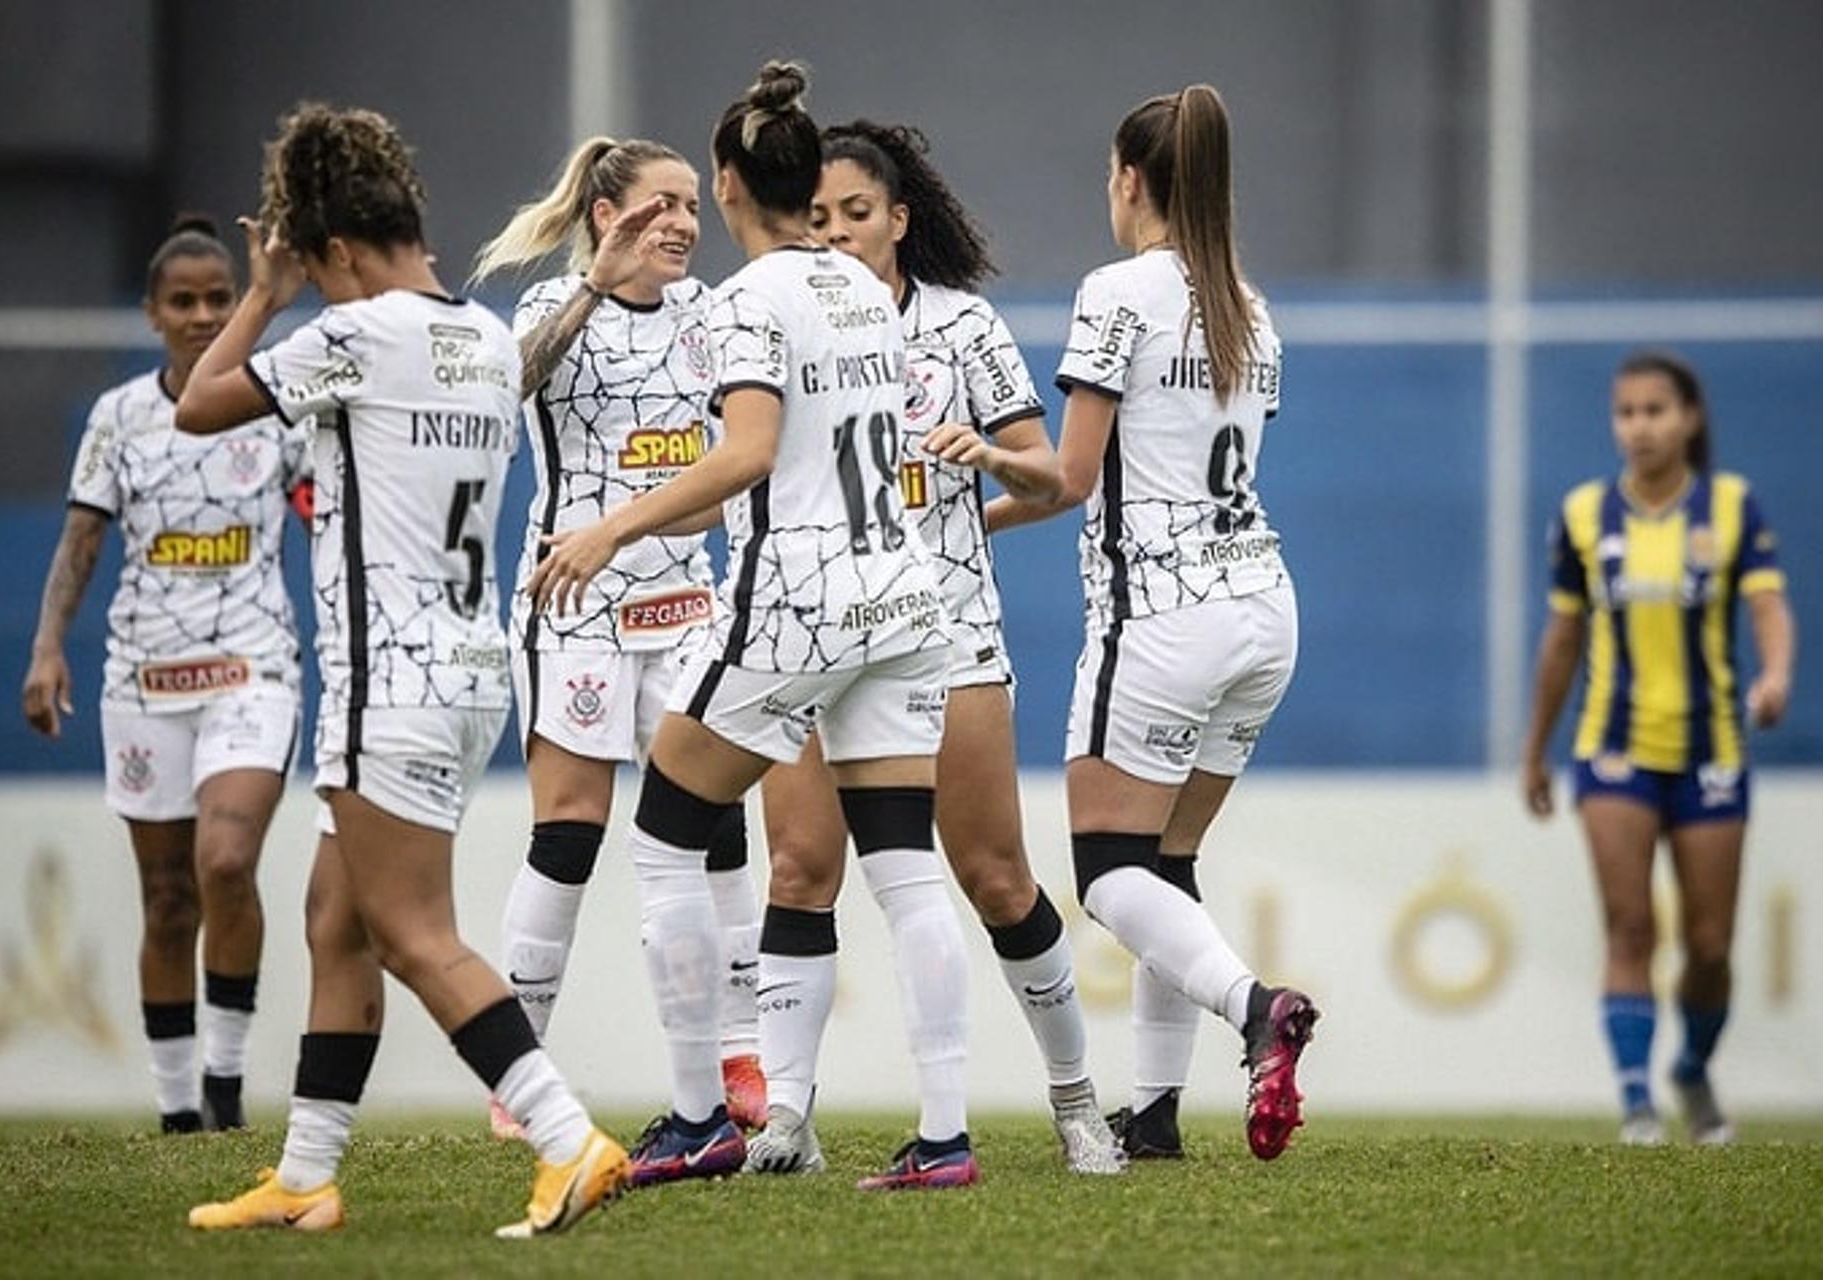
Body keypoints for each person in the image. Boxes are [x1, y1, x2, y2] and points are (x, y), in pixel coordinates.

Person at [176, 102, 628, 1237]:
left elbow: (199, 405)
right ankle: (306, 1174)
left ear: (332, 248)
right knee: (337, 915)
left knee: (413, 930)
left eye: (310, 264)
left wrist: (265, 294)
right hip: (465, 666)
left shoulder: (355, 331)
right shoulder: (477, 336)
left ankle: (569, 1140)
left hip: (392, 677)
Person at [532, 61, 974, 1191]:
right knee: (904, 866)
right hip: (904, 593)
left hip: (802, 599)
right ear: (804, 178)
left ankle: (699, 1113)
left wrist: (609, 531)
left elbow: (747, 453)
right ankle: (942, 1134)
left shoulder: (749, 300)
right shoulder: (858, 288)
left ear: (727, 184)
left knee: (665, 834)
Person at [744, 118, 1121, 1177]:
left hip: (943, 630)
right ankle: (786, 1118)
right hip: (813, 635)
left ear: (900, 220)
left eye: (856, 215)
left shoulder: (961, 331)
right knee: (799, 864)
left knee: (994, 873)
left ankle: (1078, 1103)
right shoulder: (778, 321)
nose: (836, 235)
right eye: (815, 219)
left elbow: (1055, 481)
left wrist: (994, 461)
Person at [990, 84, 1318, 1162]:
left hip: (1164, 615)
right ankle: (1161, 1112)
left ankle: (1256, 1005)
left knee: (1109, 873)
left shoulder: (1117, 291)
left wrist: (974, 492)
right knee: (1168, 864)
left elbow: (1072, 476)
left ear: (1132, 179)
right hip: (1264, 611)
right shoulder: (1249, 305)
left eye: (1109, 173)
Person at [468, 136, 765, 1137]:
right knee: (570, 830)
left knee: (714, 815)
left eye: (691, 204)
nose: (684, 222)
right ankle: (521, 1071)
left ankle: (740, 1051)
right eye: (661, 205)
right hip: (575, 606)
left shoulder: (710, 314)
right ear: (607, 214)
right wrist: (592, 287)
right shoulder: (549, 312)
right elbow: (502, 388)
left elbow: (743, 446)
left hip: (686, 602)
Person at [20, 214, 306, 1135]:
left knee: (226, 862)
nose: (201, 314)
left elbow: (322, 513)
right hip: (144, 681)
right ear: (150, 313)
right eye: (182, 301)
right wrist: (46, 648)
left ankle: (226, 1082)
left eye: (219, 298)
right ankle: (177, 1107)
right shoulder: (119, 417)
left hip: (253, 666)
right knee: (167, 895)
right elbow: (81, 539)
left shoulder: (274, 402)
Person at [1523, 351, 1794, 1146]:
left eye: (1655, 411)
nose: (1638, 427)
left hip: (1711, 752)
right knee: (1630, 926)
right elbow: (1562, 640)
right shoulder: (1582, 517)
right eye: (1626, 412)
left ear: (1689, 418)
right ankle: (1638, 1100)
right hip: (1613, 753)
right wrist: (1536, 750)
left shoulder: (1733, 508)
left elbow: (1770, 607)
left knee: (1709, 947)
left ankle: (1692, 1069)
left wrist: (1775, 676)